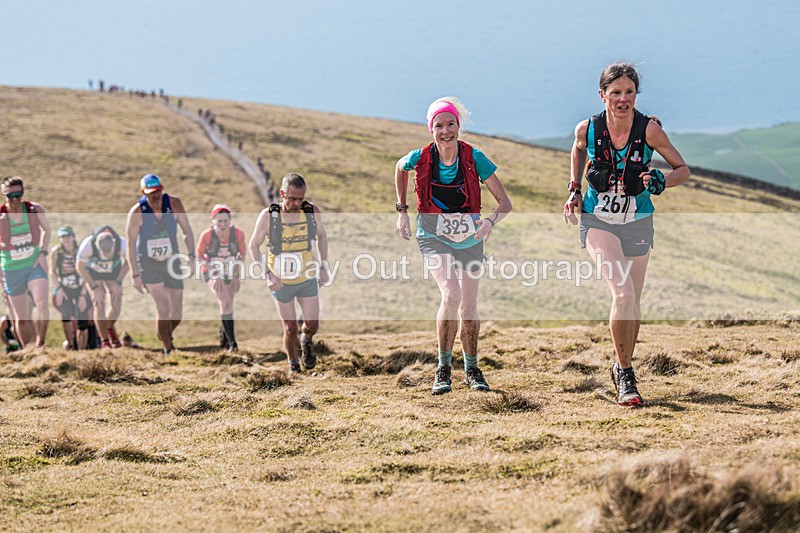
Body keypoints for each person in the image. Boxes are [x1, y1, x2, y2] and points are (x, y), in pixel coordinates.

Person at [563, 63, 690, 407]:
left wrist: (661, 180)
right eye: (615, 92)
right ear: (602, 94)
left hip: (638, 221)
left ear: (636, 94)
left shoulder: (648, 130)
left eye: (629, 92)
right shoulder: (587, 129)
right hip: (598, 221)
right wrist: (575, 187)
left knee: (632, 300)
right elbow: (577, 149)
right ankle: (626, 373)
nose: (623, 99)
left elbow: (683, 169)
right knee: (621, 293)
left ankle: (622, 368)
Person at [395, 97, 512, 395]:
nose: (445, 131)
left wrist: (490, 222)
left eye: (450, 124)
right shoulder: (420, 157)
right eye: (439, 125)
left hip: (470, 240)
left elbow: (504, 204)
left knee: (469, 306)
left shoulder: (475, 158)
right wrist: (402, 211)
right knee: (451, 293)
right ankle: (443, 368)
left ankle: (472, 369)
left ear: (458, 126)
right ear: (430, 129)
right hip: (432, 237)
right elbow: (399, 167)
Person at [248, 173, 329, 373]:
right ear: (282, 194)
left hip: (306, 277)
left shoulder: (311, 211)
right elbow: (253, 246)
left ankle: (306, 339)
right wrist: (268, 274)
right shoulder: (268, 216)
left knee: (312, 324)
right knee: (290, 327)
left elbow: (321, 236)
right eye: (292, 198)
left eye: (301, 198)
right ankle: (293, 365)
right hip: (280, 280)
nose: (297, 203)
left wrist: (322, 266)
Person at [126, 174, 195, 355]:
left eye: (158, 191)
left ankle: (164, 334)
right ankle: (168, 348)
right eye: (151, 193)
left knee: (177, 313)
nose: (156, 196)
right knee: (162, 305)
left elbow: (187, 231)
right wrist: (135, 275)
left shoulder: (174, 204)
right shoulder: (137, 213)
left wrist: (192, 256)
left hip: (171, 262)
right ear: (143, 193)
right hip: (148, 264)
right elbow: (131, 245)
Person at [0, 176, 51, 348]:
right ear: (3, 194)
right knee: (21, 318)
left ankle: (40, 344)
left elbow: (46, 229)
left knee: (42, 302)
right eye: (10, 196)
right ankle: (28, 350)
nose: (15, 199)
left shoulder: (34, 209)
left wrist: (43, 252)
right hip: (12, 268)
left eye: (18, 195)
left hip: (33, 264)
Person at [196, 204, 246, 352]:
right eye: (219, 221)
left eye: (225, 221)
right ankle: (233, 344)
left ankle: (224, 339)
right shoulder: (207, 235)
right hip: (212, 270)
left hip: (231, 269)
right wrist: (214, 273)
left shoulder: (237, 234)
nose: (223, 224)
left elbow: (242, 255)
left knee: (228, 304)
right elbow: (199, 256)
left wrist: (237, 276)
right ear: (213, 221)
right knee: (225, 303)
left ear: (230, 221)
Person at [76, 225, 129, 348]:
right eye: (103, 253)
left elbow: (129, 262)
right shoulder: (88, 245)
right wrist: (93, 286)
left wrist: (118, 281)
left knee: (116, 303)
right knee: (98, 302)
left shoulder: (121, 243)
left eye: (108, 253)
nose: (105, 256)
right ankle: (105, 340)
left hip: (113, 274)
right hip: (94, 275)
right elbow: (80, 267)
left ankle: (109, 327)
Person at [50, 226, 92, 350]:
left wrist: (83, 294)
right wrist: (59, 289)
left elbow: (87, 271)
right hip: (65, 288)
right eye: (63, 237)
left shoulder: (81, 250)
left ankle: (82, 349)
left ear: (73, 237)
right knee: (66, 317)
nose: (66, 240)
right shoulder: (56, 252)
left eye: (68, 236)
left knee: (82, 321)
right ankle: (70, 345)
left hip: (81, 288)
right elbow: (53, 272)